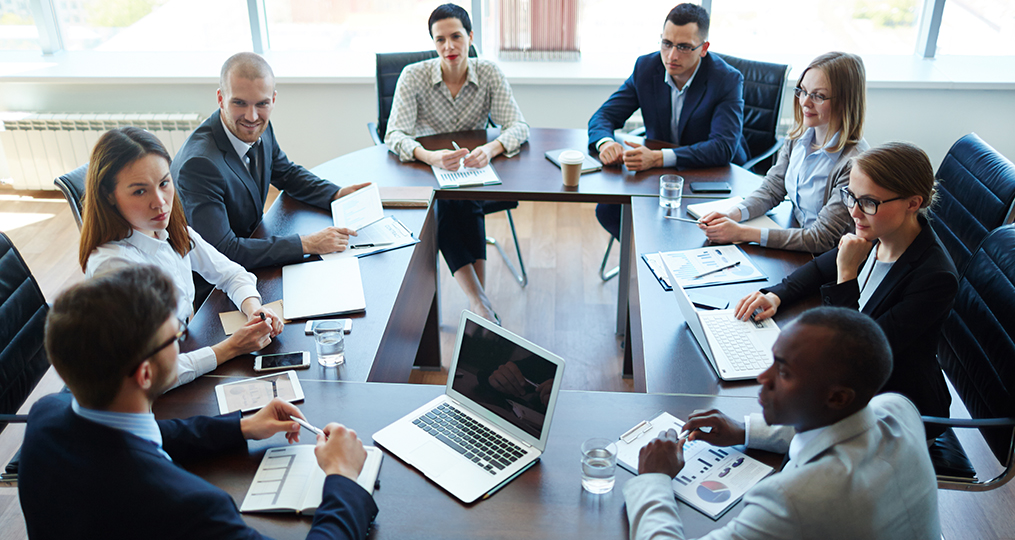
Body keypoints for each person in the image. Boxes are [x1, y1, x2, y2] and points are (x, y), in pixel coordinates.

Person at [19, 265, 378, 539]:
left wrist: (241, 428)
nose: (180, 344)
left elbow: (145, 435)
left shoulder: (46, 417)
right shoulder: (189, 508)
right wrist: (342, 476)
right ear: (145, 374)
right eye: (173, 337)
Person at [626, 307, 941, 539]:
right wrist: (745, 430)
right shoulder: (898, 408)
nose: (764, 378)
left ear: (838, 398)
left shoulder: (794, 500)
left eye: (785, 372)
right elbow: (837, 428)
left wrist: (654, 479)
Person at [734, 142, 957, 426]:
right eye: (851, 197)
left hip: (895, 409)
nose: (854, 212)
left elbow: (856, 352)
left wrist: (847, 273)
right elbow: (817, 269)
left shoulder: (934, 278)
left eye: (868, 202)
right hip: (852, 385)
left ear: (913, 203)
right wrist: (776, 296)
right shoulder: (881, 230)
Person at [80, 127, 283, 389]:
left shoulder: (167, 228)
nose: (160, 203)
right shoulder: (113, 267)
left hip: (184, 350)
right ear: (108, 196)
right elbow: (151, 375)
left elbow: (231, 273)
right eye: (140, 191)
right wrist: (231, 348)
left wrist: (256, 310)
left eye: (164, 183)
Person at [384, 3, 530, 323]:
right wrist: (429, 155)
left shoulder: (489, 72)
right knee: (449, 205)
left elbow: (518, 126)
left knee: (464, 201)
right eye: (440, 40)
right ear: (433, 42)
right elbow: (393, 134)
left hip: (471, 169)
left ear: (470, 36)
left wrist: (491, 149)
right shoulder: (414, 76)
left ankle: (479, 305)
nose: (449, 47)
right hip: (425, 171)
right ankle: (480, 302)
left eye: (456, 37)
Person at [172, 52, 369, 270]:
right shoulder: (199, 165)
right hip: (218, 282)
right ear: (220, 99)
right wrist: (307, 244)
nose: (252, 116)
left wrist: (336, 194)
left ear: (273, 100)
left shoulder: (260, 128)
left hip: (254, 245)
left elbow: (286, 173)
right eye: (239, 103)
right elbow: (223, 251)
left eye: (261, 104)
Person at [588, 3, 749, 240]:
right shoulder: (646, 67)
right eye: (666, 43)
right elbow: (604, 116)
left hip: (712, 175)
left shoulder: (726, 79)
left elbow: (722, 147)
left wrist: (657, 157)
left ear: (703, 48)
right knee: (609, 211)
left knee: (693, 230)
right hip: (658, 175)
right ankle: (648, 258)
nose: (672, 56)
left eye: (683, 47)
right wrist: (605, 143)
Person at [699, 52, 869, 253]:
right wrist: (732, 214)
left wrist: (741, 232)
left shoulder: (853, 164)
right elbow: (772, 189)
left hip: (828, 257)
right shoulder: (799, 137)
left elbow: (821, 238)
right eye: (803, 91)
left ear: (845, 101)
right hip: (794, 237)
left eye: (818, 96)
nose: (805, 102)